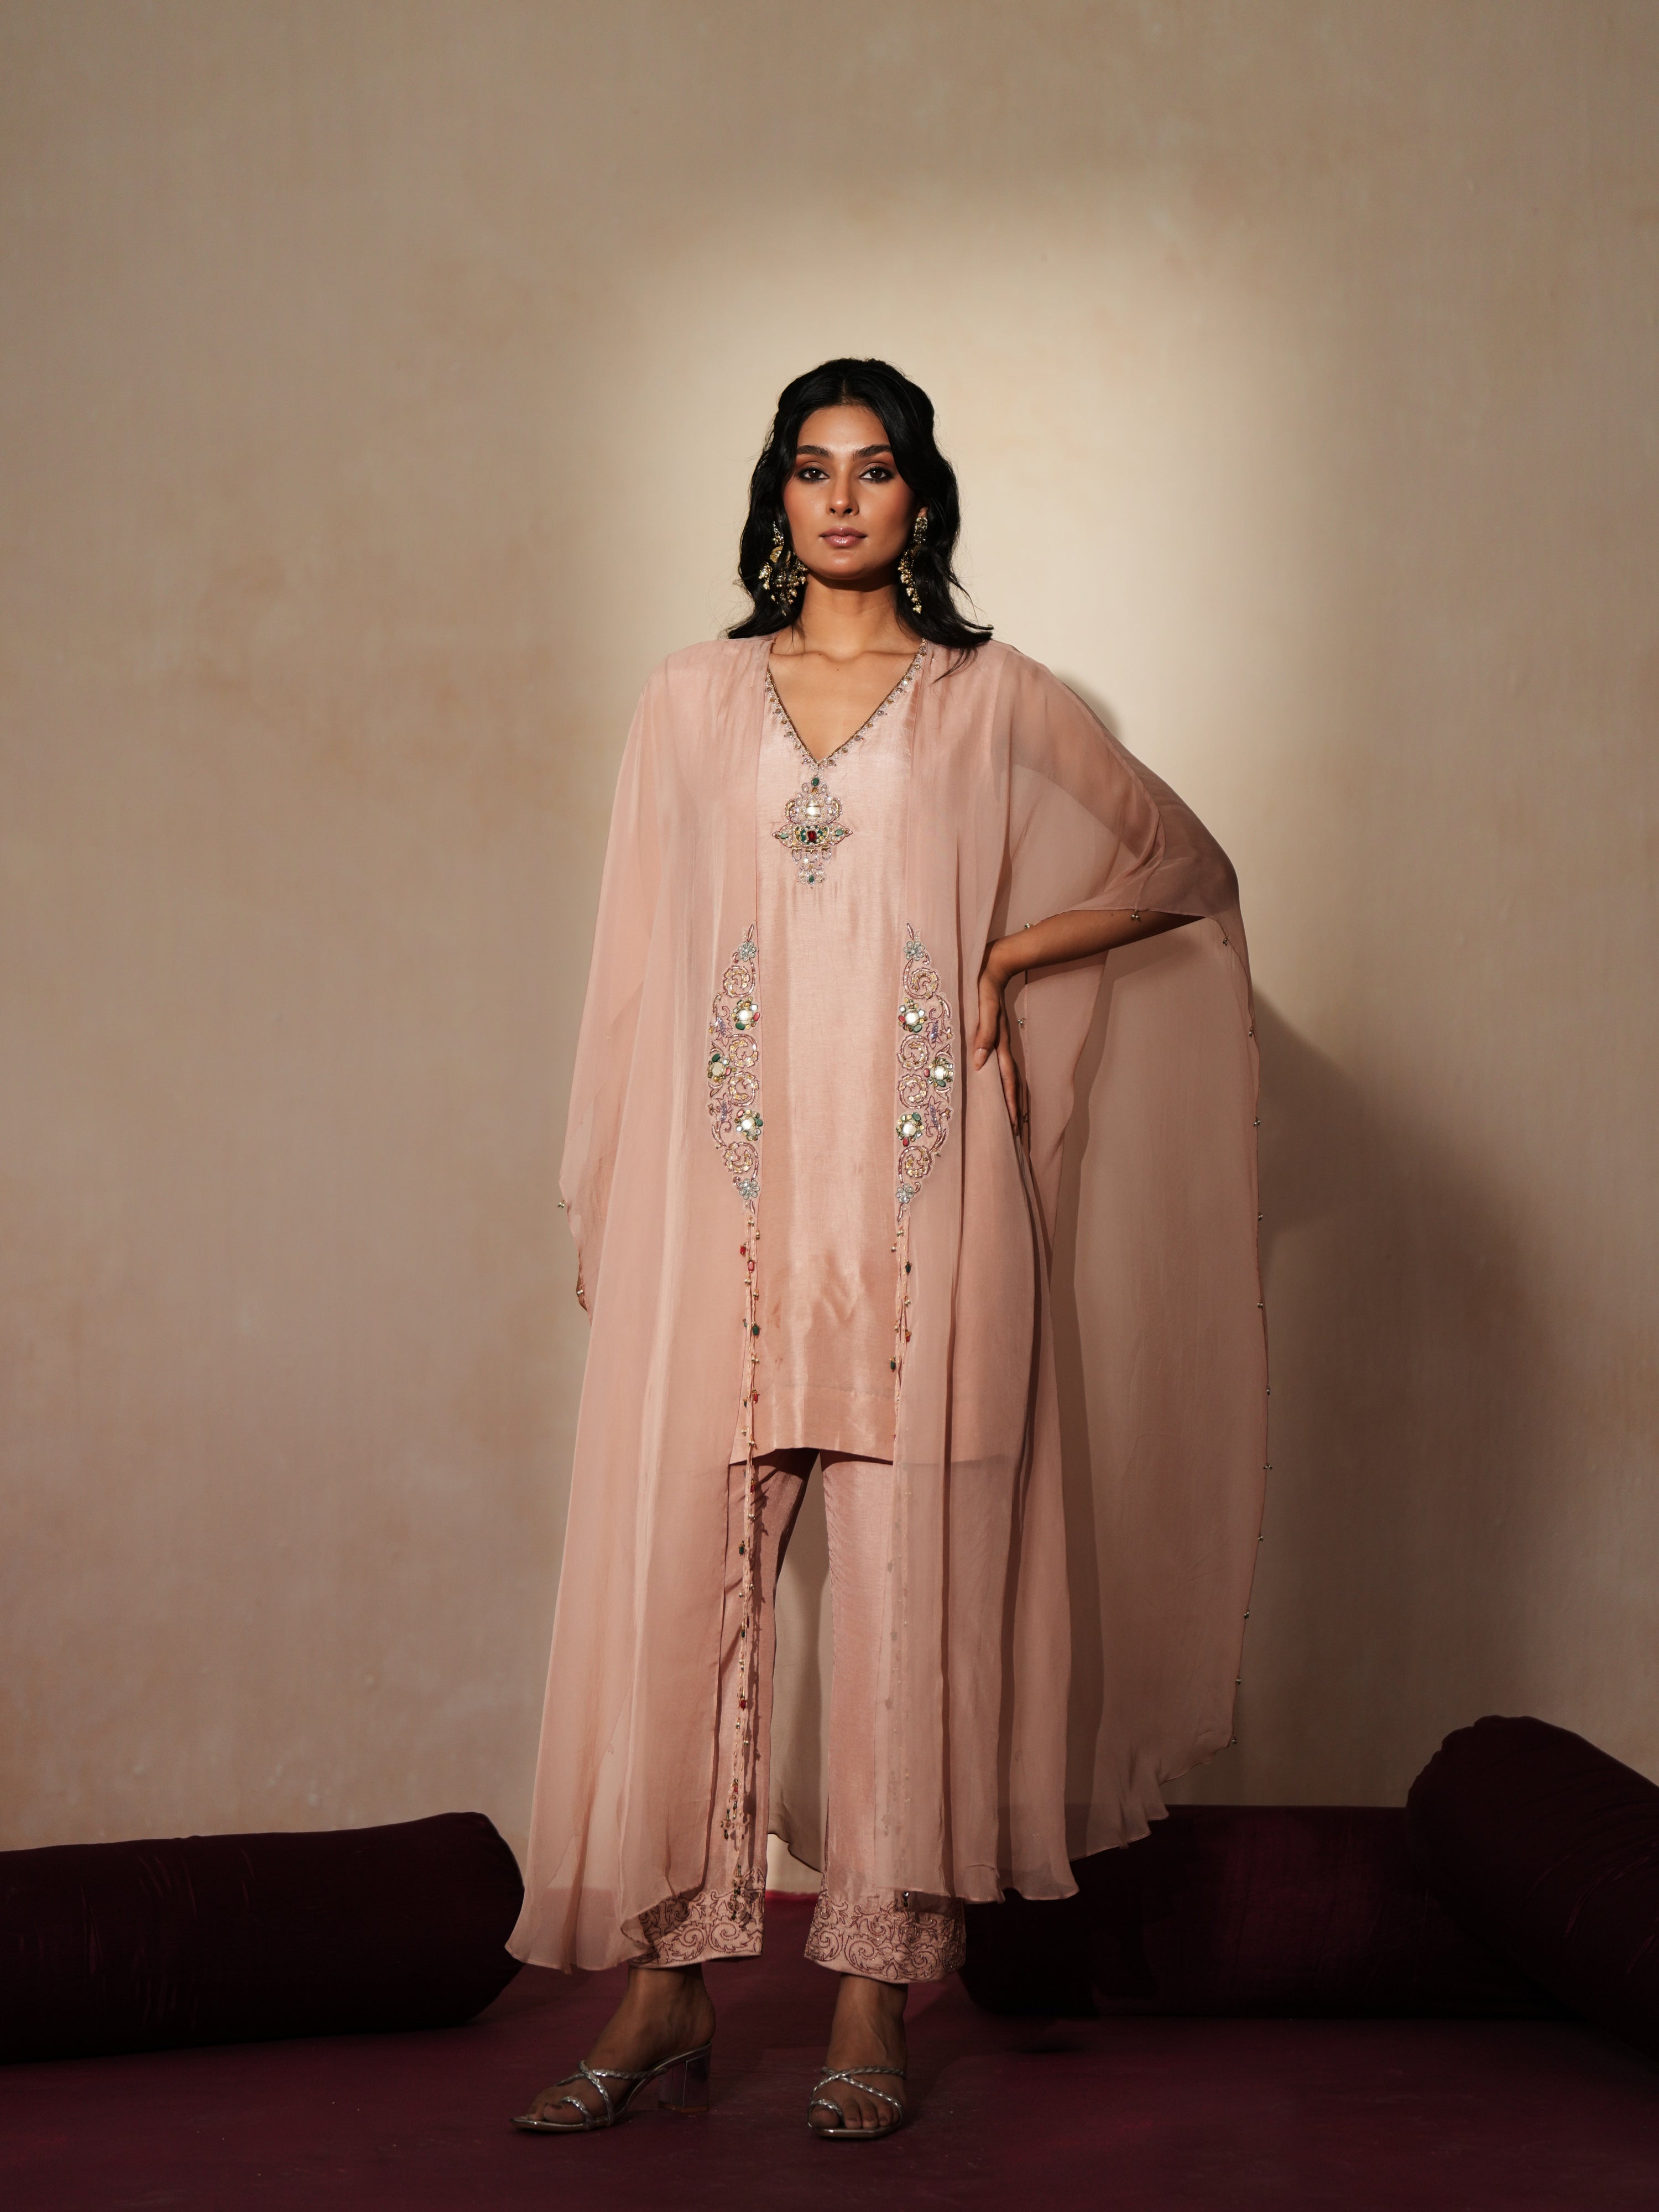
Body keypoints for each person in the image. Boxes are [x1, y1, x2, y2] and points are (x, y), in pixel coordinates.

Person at [508, 359, 1267, 2140]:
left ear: (921, 497)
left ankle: (873, 1992)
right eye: (810, 468)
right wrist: (617, 1187)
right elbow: (633, 968)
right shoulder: (690, 700)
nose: (841, 498)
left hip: (925, 1213)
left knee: (911, 1602)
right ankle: (665, 1989)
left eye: (874, 469)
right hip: (728, 1212)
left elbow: (1182, 861)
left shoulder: (992, 701)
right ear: (775, 497)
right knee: (684, 1599)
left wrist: (1012, 957)